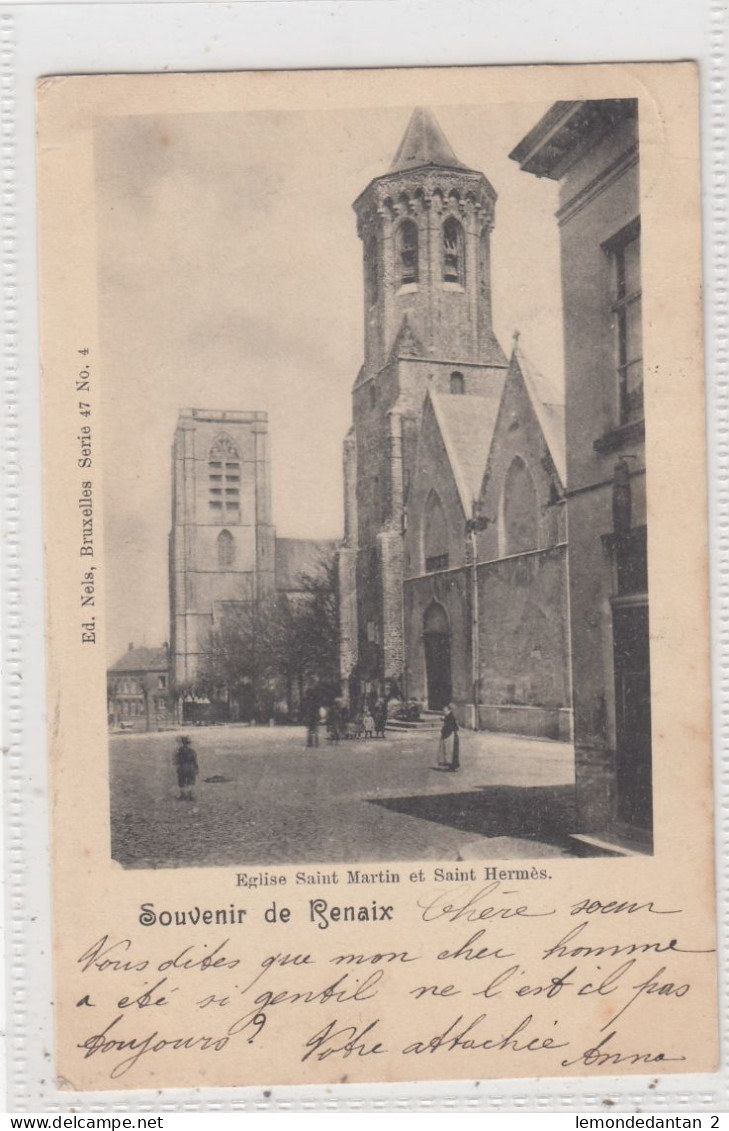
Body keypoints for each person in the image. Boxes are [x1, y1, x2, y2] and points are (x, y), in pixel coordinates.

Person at [174, 735, 199, 800]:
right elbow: (195, 760)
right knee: (191, 781)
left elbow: (176, 761)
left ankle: (183, 795)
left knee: (181, 781)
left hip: (182, 767)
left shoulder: (178, 751)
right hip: (191, 767)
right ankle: (190, 795)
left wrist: (178, 767)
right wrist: (196, 768)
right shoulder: (192, 751)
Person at [440, 705, 460, 772]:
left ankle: (452, 766)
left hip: (451, 736)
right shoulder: (448, 716)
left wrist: (443, 731)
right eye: (443, 711)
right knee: (450, 751)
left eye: (445, 711)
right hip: (451, 735)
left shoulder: (450, 717)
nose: (444, 712)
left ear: (449, 710)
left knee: (451, 751)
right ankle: (451, 766)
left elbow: (450, 727)